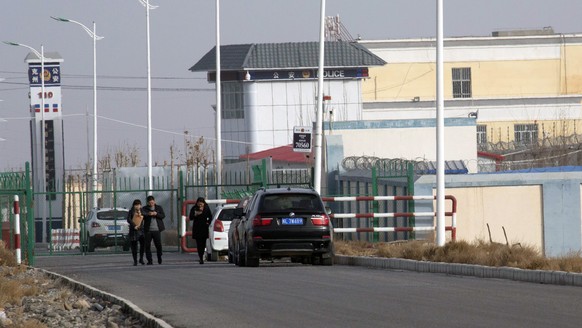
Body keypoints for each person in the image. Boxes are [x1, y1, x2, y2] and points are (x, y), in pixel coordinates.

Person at [143, 195, 166, 265]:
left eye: (152, 202)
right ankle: (149, 260)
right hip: (148, 230)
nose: (151, 204)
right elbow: (142, 215)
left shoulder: (158, 208)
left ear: (154, 201)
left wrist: (156, 214)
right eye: (150, 203)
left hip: (157, 230)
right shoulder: (144, 208)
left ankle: (159, 257)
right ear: (147, 203)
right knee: (147, 246)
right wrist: (148, 214)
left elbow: (163, 216)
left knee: (158, 245)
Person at [189, 197, 212, 264]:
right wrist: (195, 214)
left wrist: (208, 222)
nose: (200, 205)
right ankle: (201, 257)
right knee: (199, 244)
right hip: (197, 228)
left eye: (201, 204)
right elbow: (190, 217)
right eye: (199, 204)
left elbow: (210, 216)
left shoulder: (206, 208)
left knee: (203, 243)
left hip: (204, 227)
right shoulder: (194, 208)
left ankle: (202, 255)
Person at [127, 199, 145, 266]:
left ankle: (141, 259)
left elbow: (145, 216)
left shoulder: (142, 210)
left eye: (139, 205)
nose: (137, 206)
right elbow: (128, 219)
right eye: (136, 205)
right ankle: (135, 260)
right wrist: (134, 226)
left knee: (142, 245)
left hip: (141, 230)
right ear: (134, 205)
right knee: (134, 247)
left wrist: (141, 214)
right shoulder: (131, 211)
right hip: (134, 231)